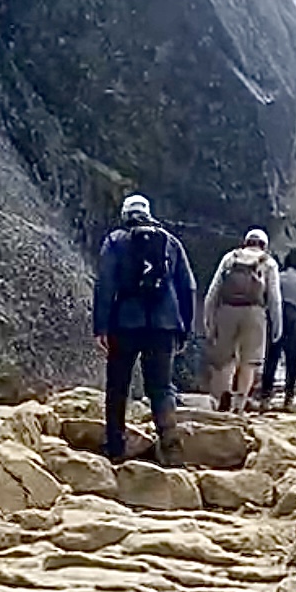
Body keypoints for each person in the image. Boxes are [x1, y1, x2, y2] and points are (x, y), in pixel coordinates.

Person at [94, 194, 196, 466]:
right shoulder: (170, 242)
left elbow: (105, 284)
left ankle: (115, 446)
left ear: (125, 214)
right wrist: (184, 328)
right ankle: (171, 449)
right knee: (161, 388)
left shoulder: (116, 241)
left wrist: (100, 327)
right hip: (164, 326)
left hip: (124, 324)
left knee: (118, 386)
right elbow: (188, 287)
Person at [203, 229, 281, 413]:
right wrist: (277, 326)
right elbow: (274, 298)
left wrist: (209, 319)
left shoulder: (230, 258)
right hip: (255, 313)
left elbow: (213, 291)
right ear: (264, 245)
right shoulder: (268, 262)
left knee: (225, 359)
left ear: (246, 241)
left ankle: (223, 396)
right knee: (249, 361)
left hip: (227, 310)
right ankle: (238, 405)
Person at [260, 248, 296, 410]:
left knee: (271, 358)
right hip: (292, 319)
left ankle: (265, 397)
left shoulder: (277, 278)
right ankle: (288, 396)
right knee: (292, 361)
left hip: (275, 317)